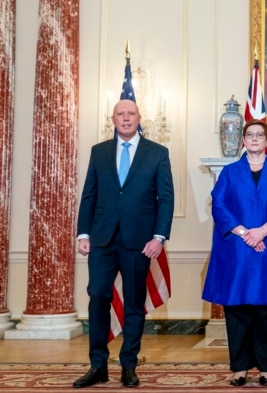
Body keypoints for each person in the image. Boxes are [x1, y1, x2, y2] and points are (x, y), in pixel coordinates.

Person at [74, 99, 174, 388]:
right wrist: (83, 234)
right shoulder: (99, 151)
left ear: (139, 118)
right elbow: (89, 195)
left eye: (131, 114)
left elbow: (165, 199)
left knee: (133, 304)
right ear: (113, 119)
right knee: (98, 299)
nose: (126, 118)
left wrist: (159, 237)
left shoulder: (157, 153)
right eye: (121, 114)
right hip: (102, 240)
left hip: (139, 241)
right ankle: (98, 366)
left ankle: (129, 365)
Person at [202, 119, 267, 387]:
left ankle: (266, 368)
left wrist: (262, 232)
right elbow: (219, 206)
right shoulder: (230, 172)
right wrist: (246, 233)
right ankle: (240, 368)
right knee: (238, 310)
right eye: (250, 134)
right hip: (237, 251)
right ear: (243, 140)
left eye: (260, 134)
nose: (255, 138)